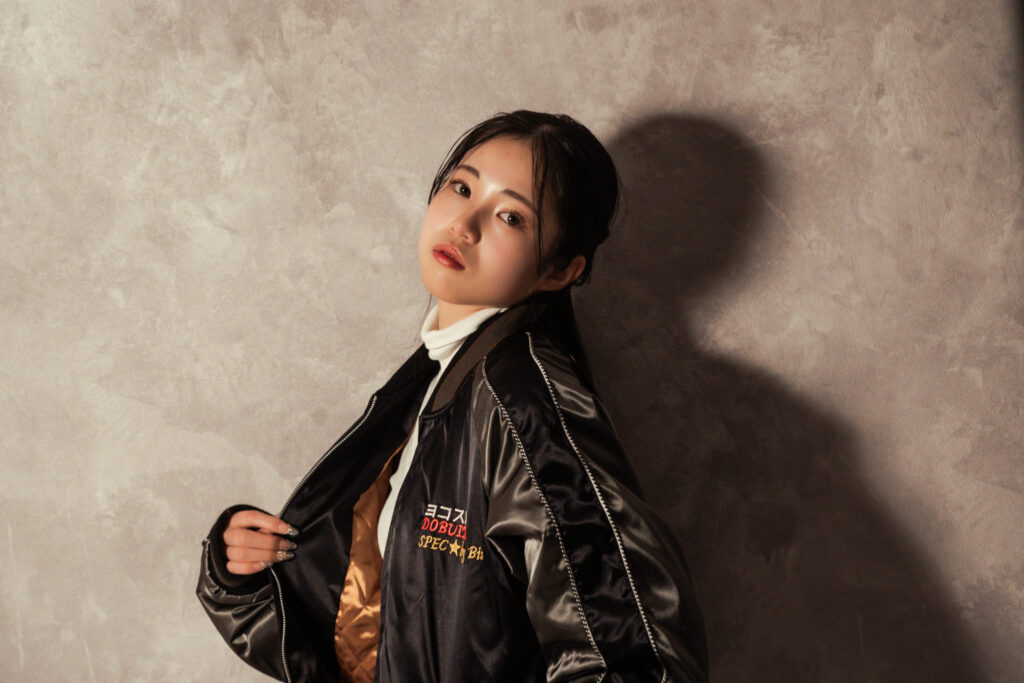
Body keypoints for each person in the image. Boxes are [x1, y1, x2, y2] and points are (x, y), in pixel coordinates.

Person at [196, 110, 708, 682]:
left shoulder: (526, 402)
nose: (465, 223)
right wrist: (240, 576)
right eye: (462, 188)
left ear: (560, 270)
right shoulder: (432, 380)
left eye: (511, 216)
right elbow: (375, 639)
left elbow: (638, 659)